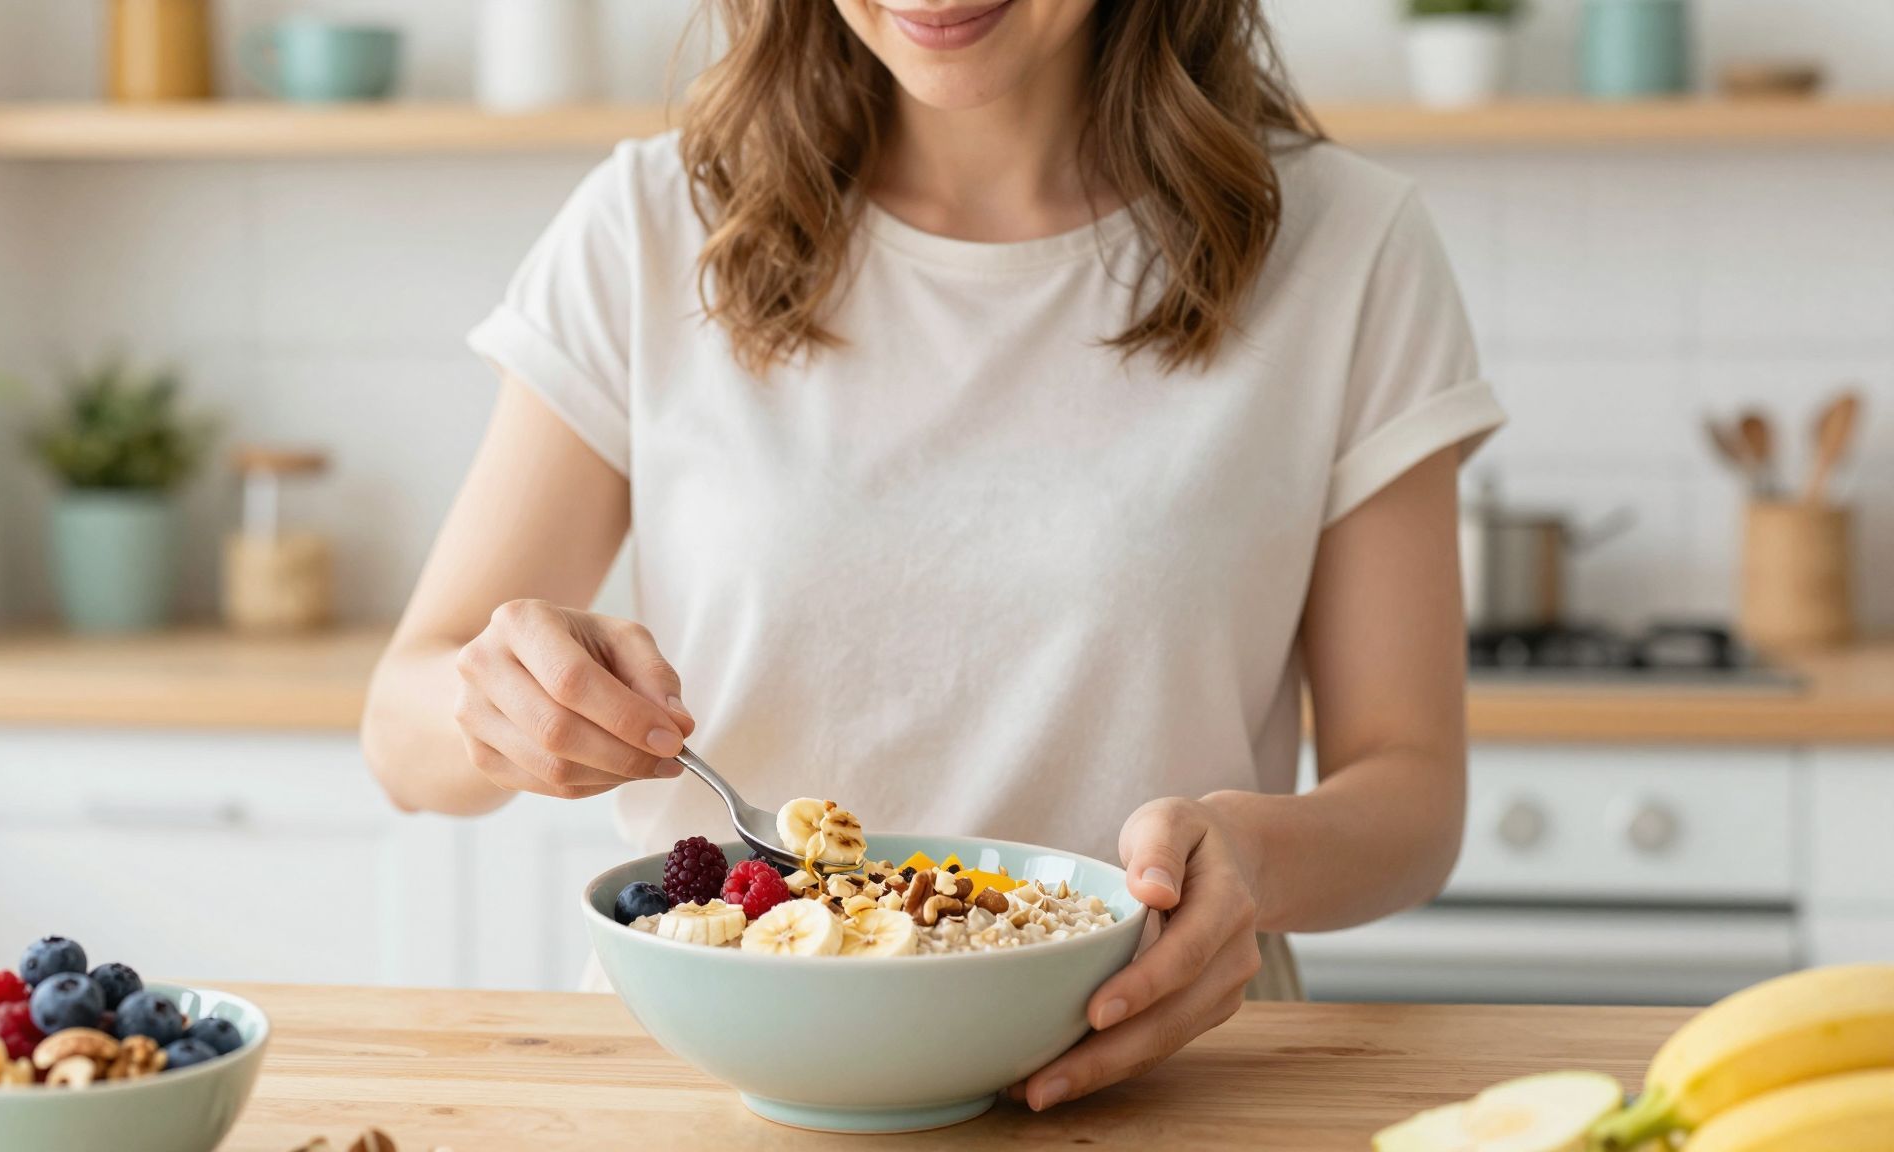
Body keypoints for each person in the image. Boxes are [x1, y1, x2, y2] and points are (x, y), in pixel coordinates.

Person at [364, 0, 1502, 1113]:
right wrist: (506, 707)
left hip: (1150, 1083)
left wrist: (1250, 856)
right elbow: (403, 731)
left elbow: (1409, 796)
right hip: (716, 1087)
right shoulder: (648, 226)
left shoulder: (1348, 245)